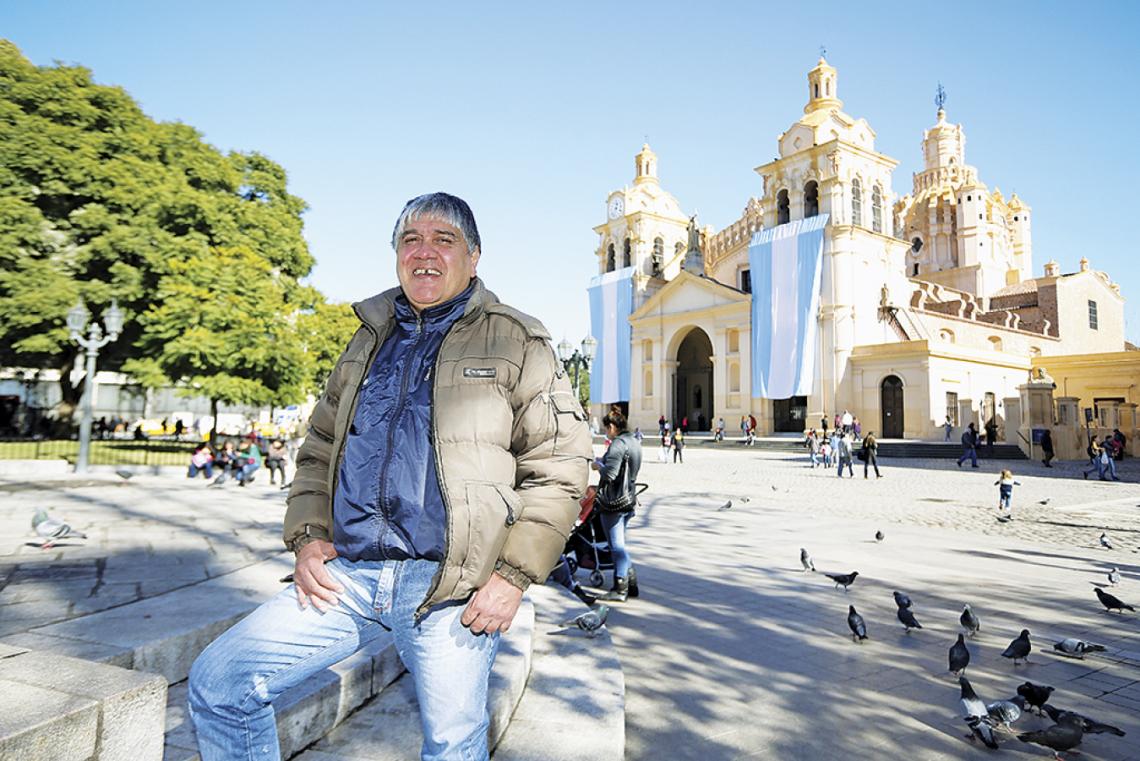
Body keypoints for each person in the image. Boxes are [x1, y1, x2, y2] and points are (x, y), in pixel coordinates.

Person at [188, 192, 591, 761]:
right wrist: (306, 538)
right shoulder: (366, 337)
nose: (424, 253)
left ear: (474, 258)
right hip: (347, 577)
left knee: (451, 745)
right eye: (411, 240)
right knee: (220, 682)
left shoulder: (517, 339)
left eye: (443, 240)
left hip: (450, 588)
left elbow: (559, 467)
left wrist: (513, 576)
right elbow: (320, 448)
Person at [593, 408, 642, 602]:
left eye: (607, 429)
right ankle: (632, 583)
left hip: (613, 501)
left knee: (616, 546)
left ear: (613, 427)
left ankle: (620, 587)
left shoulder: (618, 444)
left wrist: (598, 466)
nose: (606, 432)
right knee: (620, 544)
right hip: (629, 498)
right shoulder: (635, 442)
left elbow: (610, 475)